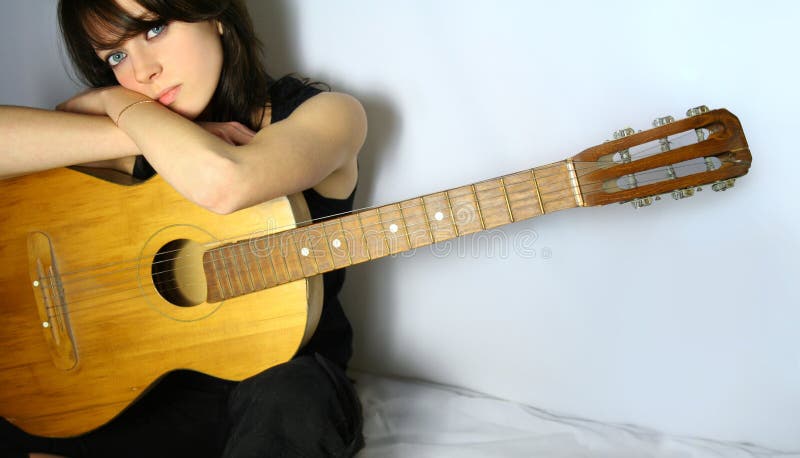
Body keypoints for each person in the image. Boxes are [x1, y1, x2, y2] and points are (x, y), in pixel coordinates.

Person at [0, 0, 367, 456]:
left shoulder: (327, 113)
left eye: (154, 30)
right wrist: (123, 115)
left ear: (213, 13)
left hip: (276, 383)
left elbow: (226, 182)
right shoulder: (134, 114)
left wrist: (118, 109)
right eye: (115, 57)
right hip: (152, 385)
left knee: (296, 398)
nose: (141, 72)